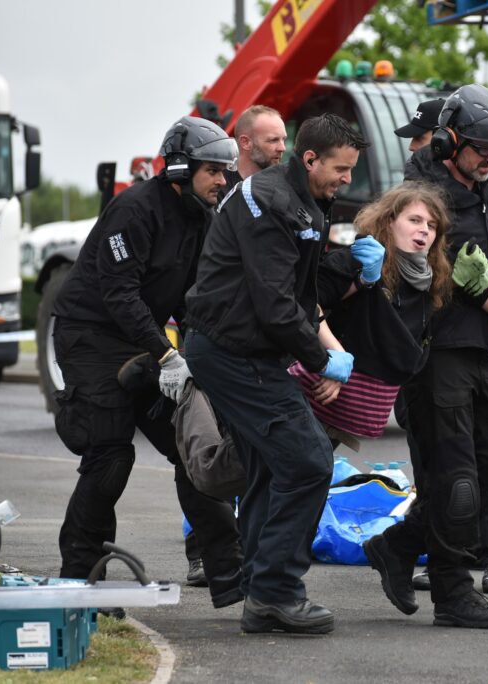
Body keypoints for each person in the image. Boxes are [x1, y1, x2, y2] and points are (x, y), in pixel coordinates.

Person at [364, 84, 488, 629]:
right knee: (455, 483)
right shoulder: (421, 199)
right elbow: (454, 272)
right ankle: (452, 593)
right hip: (439, 353)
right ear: (449, 140)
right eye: (481, 148)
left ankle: (397, 546)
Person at [183, 113, 369, 635]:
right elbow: (276, 304)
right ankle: (274, 592)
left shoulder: (300, 199)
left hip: (241, 349)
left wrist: (352, 266)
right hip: (231, 351)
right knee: (309, 462)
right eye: (340, 169)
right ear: (309, 159)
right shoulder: (270, 201)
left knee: (270, 466)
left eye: (351, 170)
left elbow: (299, 288)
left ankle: (260, 590)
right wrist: (321, 358)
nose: (346, 180)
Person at [51, 116, 244, 611]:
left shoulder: (202, 215)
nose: (222, 180)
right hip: (91, 336)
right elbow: (119, 292)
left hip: (145, 339)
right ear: (181, 167)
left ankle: (233, 576)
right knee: (111, 453)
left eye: (226, 172)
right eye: (213, 171)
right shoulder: (134, 210)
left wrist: (206, 349)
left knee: (193, 450)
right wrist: (167, 354)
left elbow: (193, 297)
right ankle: (78, 582)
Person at [291, 182, 488, 448]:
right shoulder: (362, 259)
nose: (424, 229)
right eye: (414, 220)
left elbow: (481, 293)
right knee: (291, 474)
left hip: (350, 410)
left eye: (432, 225)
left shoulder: (433, 274)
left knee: (310, 476)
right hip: (314, 392)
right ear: (390, 221)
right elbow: (306, 302)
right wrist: (332, 356)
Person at [181, 104, 287, 588]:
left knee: (244, 454)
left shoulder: (270, 197)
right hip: (213, 341)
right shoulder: (221, 200)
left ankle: (240, 553)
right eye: (273, 140)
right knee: (206, 451)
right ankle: (205, 550)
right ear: (245, 143)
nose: (282, 149)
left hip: (251, 345)